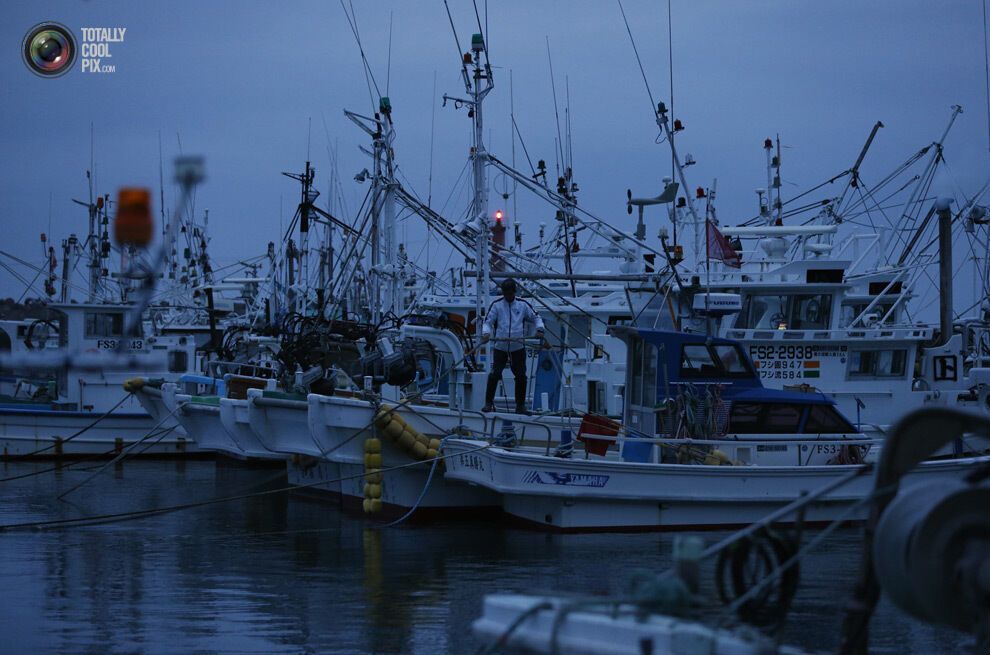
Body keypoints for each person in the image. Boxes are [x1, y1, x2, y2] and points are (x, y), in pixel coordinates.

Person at [480, 279, 547, 414]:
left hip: (518, 346)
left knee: (521, 376)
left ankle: (520, 406)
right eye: (505, 294)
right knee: (495, 374)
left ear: (514, 292)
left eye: (510, 294)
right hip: (501, 346)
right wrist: (486, 333)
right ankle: (488, 403)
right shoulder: (496, 305)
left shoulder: (523, 305)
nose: (508, 296)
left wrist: (540, 329)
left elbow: (536, 318)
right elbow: (487, 322)